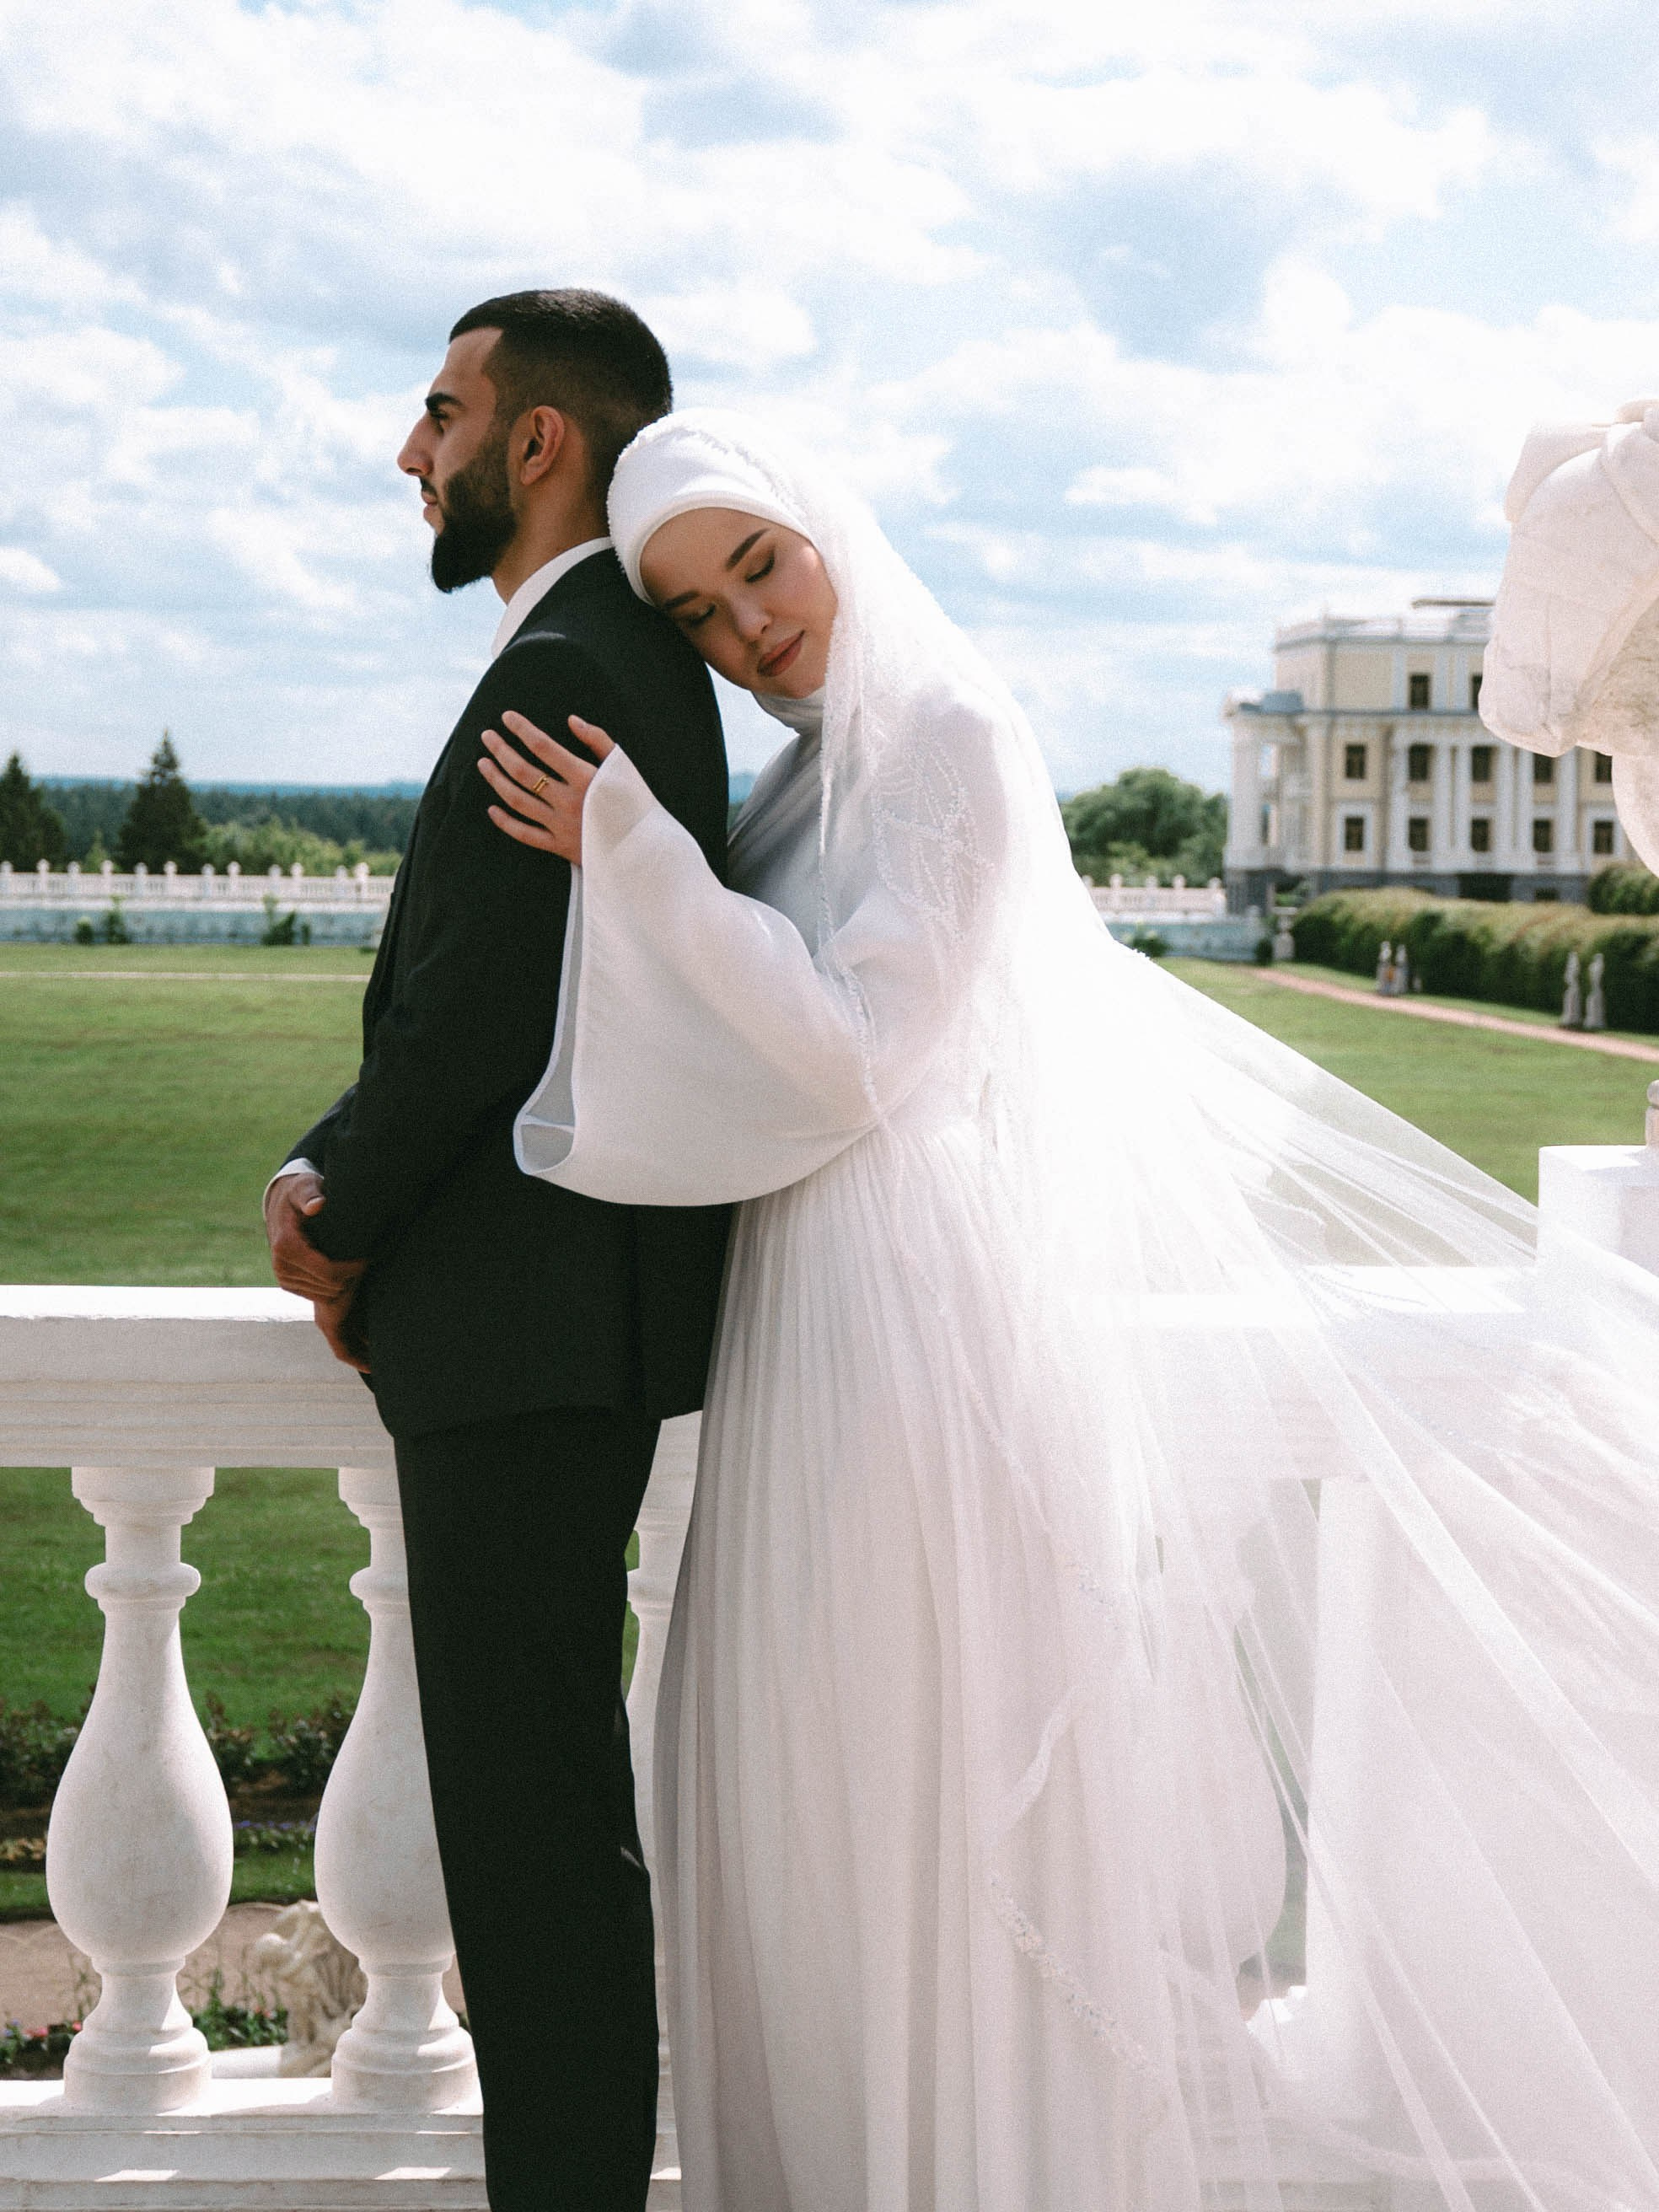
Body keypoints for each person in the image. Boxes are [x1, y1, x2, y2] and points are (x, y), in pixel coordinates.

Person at [479, 410, 1659, 2211]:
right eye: (700, 612)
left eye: (759, 563)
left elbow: (863, 1042)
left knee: (919, 1803)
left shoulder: (950, 736)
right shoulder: (805, 780)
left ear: (829, 532)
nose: (749, 626)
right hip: (814, 1323)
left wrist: (632, 856)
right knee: (821, 1817)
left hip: (912, 1335)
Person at [261, 295, 732, 2212]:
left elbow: (481, 1005)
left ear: (540, 441)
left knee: (537, 1847)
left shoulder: (587, 655)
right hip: (549, 1333)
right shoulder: (599, 645)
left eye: (439, 411)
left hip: (532, 1340)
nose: (411, 451)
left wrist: (335, 1207)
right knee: (545, 1833)